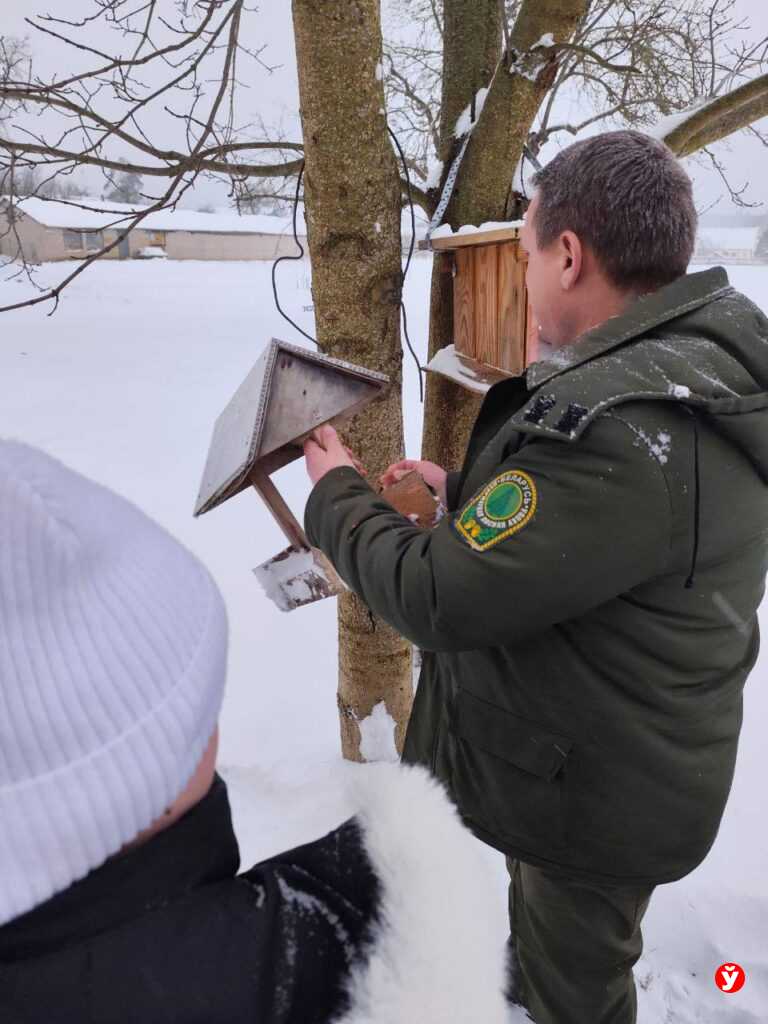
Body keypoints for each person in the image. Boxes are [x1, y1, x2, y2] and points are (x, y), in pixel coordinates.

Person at [302, 130, 768, 1024]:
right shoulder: (688, 374)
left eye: (522, 254)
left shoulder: (619, 428)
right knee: (560, 953)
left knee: (576, 995)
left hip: (595, 802)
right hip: (616, 757)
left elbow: (438, 598)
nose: (521, 277)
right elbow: (592, 545)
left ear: (568, 254)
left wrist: (337, 498)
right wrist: (469, 499)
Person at [0, 441, 511, 1024]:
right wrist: (340, 492)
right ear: (161, 750)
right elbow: (443, 594)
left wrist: (453, 486)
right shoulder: (358, 938)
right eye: (201, 703)